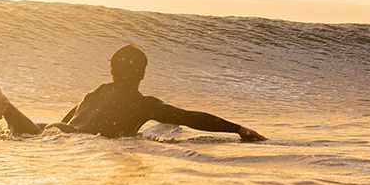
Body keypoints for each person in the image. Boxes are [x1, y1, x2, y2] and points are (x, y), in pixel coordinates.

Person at [60, 44, 266, 141]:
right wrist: (238, 129)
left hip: (58, 131)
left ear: (111, 70)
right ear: (142, 73)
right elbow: (190, 118)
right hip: (80, 141)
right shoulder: (143, 104)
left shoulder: (95, 93)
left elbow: (67, 124)